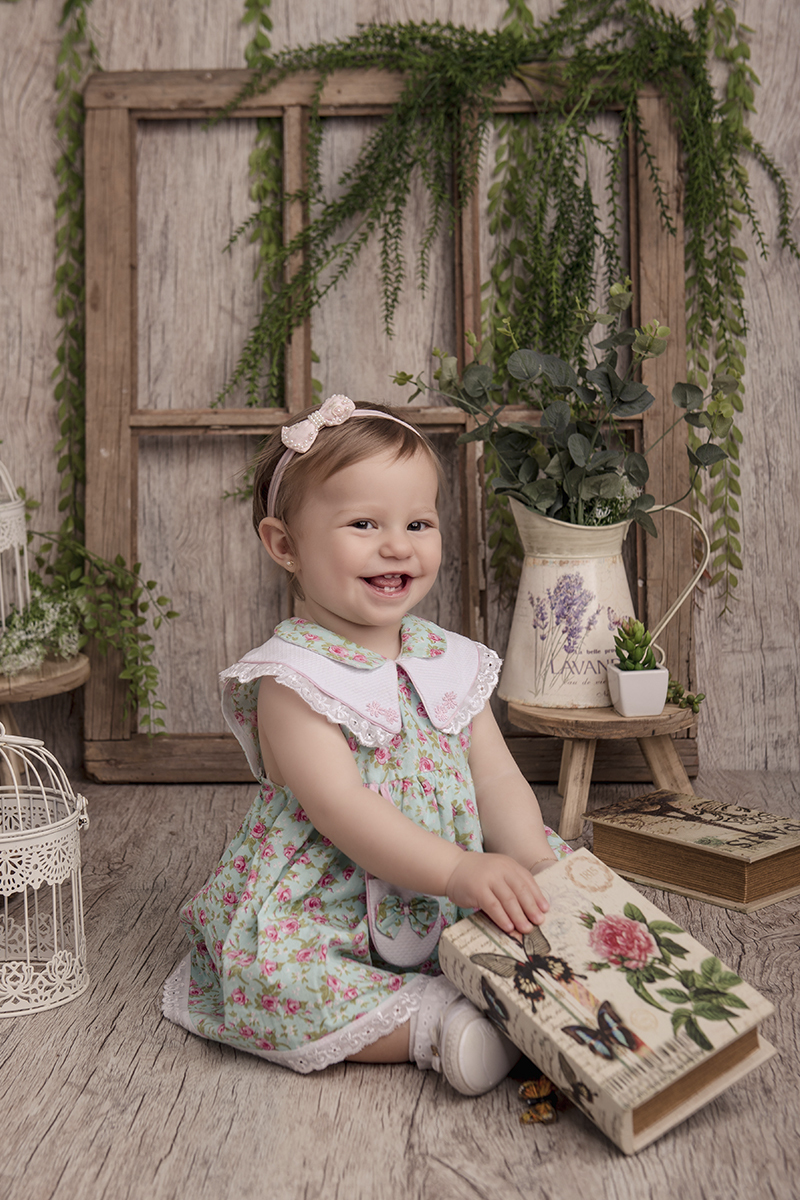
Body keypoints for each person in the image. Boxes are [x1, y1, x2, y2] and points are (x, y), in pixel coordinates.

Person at [163, 394, 573, 1094]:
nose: (397, 545)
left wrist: (531, 861)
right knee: (274, 984)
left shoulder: (449, 658)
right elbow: (343, 809)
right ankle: (431, 1025)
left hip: (455, 877)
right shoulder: (291, 681)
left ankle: (548, 1002)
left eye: (418, 522)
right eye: (363, 524)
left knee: (548, 910)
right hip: (333, 898)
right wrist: (452, 872)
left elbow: (496, 779)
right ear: (284, 544)